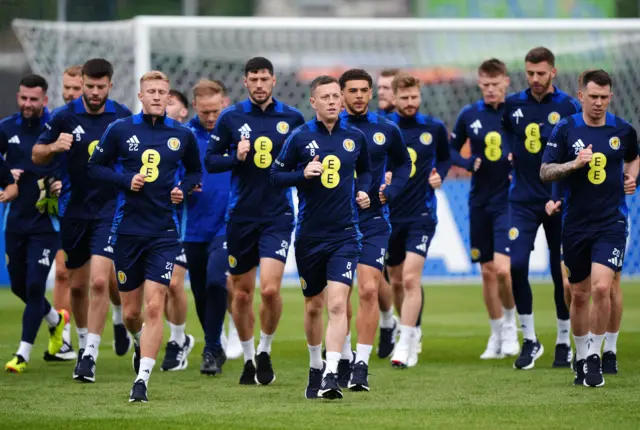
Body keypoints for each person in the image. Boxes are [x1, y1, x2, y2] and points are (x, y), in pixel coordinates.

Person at [88, 70, 202, 402]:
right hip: (126, 231)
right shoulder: (121, 129)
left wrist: (183, 187)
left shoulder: (182, 135)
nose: (156, 96)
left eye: (162, 92)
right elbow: (95, 167)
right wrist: (125, 180)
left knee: (155, 306)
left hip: (164, 233)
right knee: (131, 313)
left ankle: (142, 381)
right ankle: (137, 341)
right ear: (140, 96)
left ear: (169, 98)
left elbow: (195, 170)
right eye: (150, 91)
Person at [205, 57, 305, 385]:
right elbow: (212, 160)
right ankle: (249, 359)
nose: (259, 84)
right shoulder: (230, 117)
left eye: (264, 79)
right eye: (254, 79)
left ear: (273, 81)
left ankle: (264, 349)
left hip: (277, 216)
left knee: (271, 289)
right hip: (241, 217)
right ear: (245, 82)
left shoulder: (293, 118)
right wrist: (236, 156)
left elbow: (305, 164)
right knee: (243, 293)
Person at [270, 74, 371, 400]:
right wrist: (302, 174)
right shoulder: (299, 138)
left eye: (334, 96)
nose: (332, 101)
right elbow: (275, 175)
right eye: (324, 97)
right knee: (314, 305)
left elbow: (366, 169)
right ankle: (315, 367)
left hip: (345, 235)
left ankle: (330, 373)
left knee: (338, 303)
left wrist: (365, 190)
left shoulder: (354, 137)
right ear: (313, 102)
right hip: (309, 237)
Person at [32, 58, 132, 382]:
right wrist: (53, 147)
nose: (93, 92)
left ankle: (88, 354)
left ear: (109, 86)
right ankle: (89, 331)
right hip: (73, 209)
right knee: (76, 285)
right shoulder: (63, 116)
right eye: (89, 86)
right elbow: (37, 154)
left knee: (100, 281)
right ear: (83, 83)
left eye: (100, 87)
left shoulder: (122, 117)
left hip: (109, 209)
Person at [540, 69, 638, 387]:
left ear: (611, 97)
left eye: (603, 97)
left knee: (601, 288)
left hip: (611, 221)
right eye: (592, 96)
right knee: (579, 294)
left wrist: (631, 177)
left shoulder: (623, 130)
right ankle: (580, 356)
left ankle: (595, 356)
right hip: (575, 224)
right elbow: (545, 171)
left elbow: (634, 157)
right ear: (580, 96)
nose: (598, 103)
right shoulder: (566, 128)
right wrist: (573, 164)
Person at [502, 47, 580, 370]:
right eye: (530, 73)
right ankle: (530, 339)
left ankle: (564, 340)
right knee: (516, 266)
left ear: (553, 73)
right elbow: (507, 133)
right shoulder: (512, 105)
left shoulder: (568, 106)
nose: (534, 79)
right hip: (521, 199)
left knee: (558, 275)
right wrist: (509, 154)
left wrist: (562, 192)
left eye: (541, 73)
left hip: (558, 201)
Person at [336, 68, 410, 390]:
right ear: (341, 94)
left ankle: (362, 366)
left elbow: (403, 163)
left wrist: (390, 191)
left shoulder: (386, 129)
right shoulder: (328, 130)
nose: (359, 96)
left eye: (364, 90)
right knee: (340, 297)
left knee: (368, 289)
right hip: (335, 223)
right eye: (352, 90)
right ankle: (345, 355)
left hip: (374, 220)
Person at [449, 59, 519, 359]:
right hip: (479, 201)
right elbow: (451, 149)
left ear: (506, 82)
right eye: (486, 85)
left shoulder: (518, 112)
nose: (491, 89)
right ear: (480, 84)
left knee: (504, 270)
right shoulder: (470, 114)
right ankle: (495, 334)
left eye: (496, 84)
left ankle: (510, 325)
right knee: (487, 272)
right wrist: (466, 163)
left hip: (510, 200)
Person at [386, 73, 451, 369]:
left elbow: (446, 158)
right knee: (396, 280)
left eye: (414, 98)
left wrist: (439, 174)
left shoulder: (433, 127)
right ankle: (407, 329)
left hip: (422, 214)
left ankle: (406, 341)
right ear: (395, 98)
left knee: (411, 278)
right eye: (405, 98)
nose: (410, 103)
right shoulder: (385, 129)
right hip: (389, 216)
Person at [2, 74, 65, 373]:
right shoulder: (6, 128)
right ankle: (55, 320)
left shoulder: (55, 128)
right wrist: (5, 177)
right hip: (15, 220)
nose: (28, 104)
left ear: (45, 100)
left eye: (34, 99)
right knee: (19, 286)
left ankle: (23, 354)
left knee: (36, 284)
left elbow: (73, 166)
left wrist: (61, 182)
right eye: (23, 98)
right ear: (19, 97)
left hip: (46, 222)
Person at [181, 79, 232, 375]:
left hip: (227, 224)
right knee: (200, 292)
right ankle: (214, 343)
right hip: (194, 226)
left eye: (216, 111)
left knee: (216, 280)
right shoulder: (184, 137)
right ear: (195, 107)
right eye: (205, 113)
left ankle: (211, 347)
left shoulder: (236, 133)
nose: (211, 118)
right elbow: (175, 174)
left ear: (224, 103)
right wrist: (182, 187)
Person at [47, 64, 85, 362]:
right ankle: (63, 339)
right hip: (57, 207)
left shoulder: (101, 123)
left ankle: (117, 316)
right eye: (67, 88)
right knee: (62, 274)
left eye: (76, 88)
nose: (70, 93)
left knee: (100, 279)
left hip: (91, 209)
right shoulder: (57, 120)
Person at [160, 87, 195, 372]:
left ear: (184, 111)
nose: (163, 104)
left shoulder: (188, 137)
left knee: (173, 283)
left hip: (184, 223)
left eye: (170, 101)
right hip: (147, 222)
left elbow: (197, 172)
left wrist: (186, 187)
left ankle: (178, 339)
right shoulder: (146, 136)